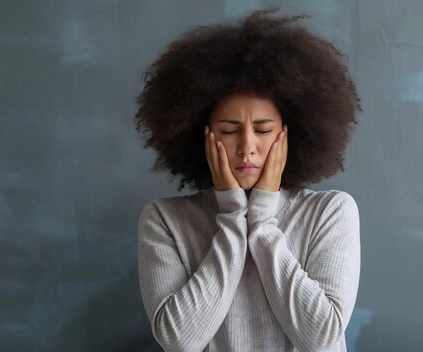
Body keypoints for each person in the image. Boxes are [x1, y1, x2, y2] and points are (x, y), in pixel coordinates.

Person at [135, 8, 361, 352]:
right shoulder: (165, 220)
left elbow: (321, 337)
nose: (247, 148)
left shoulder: (330, 212)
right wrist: (231, 216)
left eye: (263, 130)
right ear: (202, 135)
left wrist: (261, 219)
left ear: (288, 134)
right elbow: (180, 340)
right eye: (229, 131)